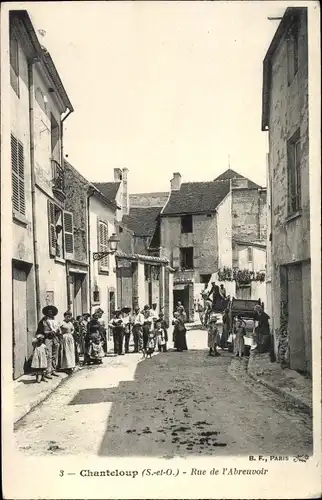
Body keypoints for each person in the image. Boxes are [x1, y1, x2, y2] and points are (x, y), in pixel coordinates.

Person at [36, 305, 61, 379]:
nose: (50, 313)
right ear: (46, 313)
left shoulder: (55, 321)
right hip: (47, 339)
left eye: (52, 312)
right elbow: (40, 331)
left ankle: (53, 370)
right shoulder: (43, 321)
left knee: (55, 354)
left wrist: (57, 332)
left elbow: (58, 329)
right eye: (49, 312)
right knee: (49, 355)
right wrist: (47, 333)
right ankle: (48, 372)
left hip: (55, 338)